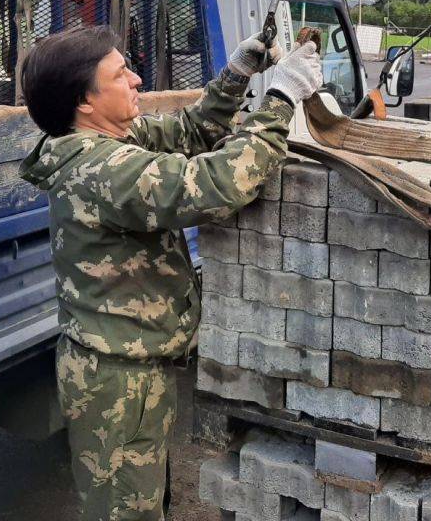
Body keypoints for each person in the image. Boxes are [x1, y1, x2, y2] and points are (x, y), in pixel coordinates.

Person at [19, 26, 323, 521]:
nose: (136, 79)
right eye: (120, 74)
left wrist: (237, 75)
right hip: (118, 381)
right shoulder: (103, 169)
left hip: (127, 369)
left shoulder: (103, 139)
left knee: (141, 500)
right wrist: (282, 96)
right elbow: (218, 183)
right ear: (85, 103)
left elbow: (188, 132)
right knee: (124, 511)